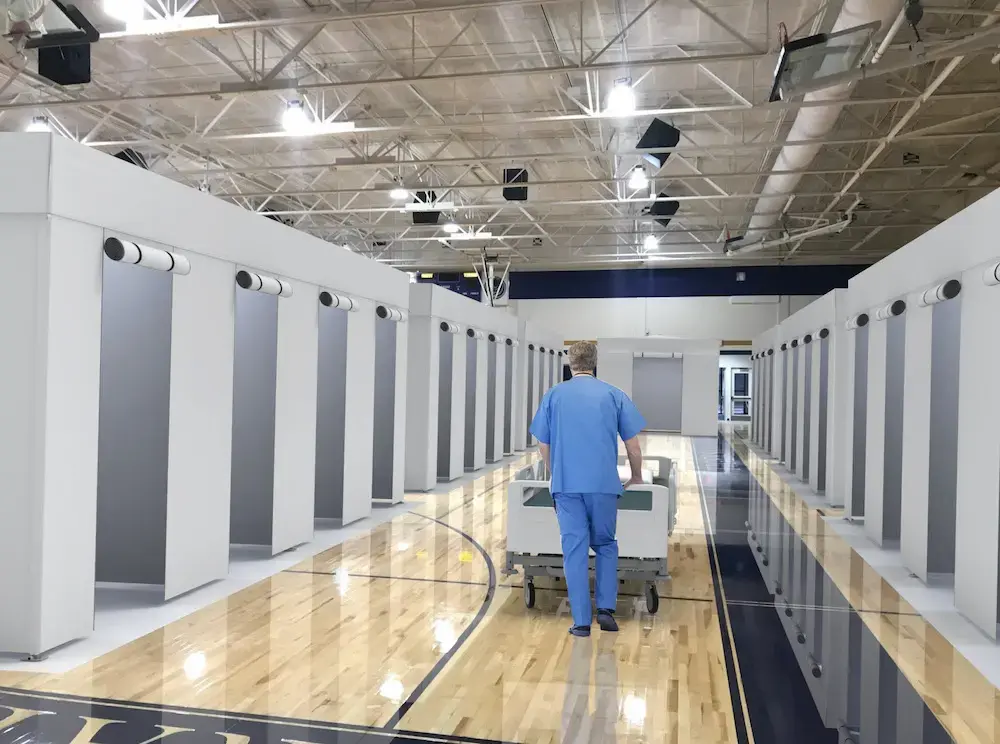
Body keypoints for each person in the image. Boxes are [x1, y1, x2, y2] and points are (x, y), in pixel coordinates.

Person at [530, 341, 646, 637]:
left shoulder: (554, 396)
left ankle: (581, 621)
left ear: (570, 363)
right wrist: (636, 476)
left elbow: (543, 443)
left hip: (567, 486)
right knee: (606, 544)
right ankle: (606, 611)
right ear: (595, 363)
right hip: (603, 485)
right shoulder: (613, 394)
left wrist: (556, 472)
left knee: (574, 550)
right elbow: (632, 444)